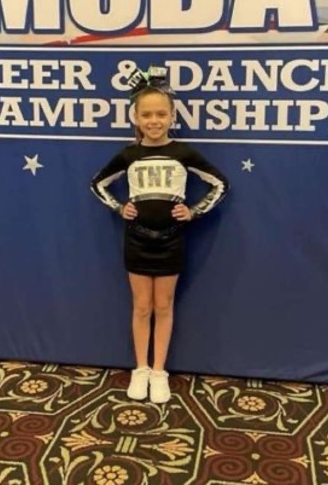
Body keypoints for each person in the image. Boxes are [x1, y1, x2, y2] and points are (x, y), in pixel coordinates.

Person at [90, 66, 229, 404]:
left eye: (161, 114)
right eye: (147, 115)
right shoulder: (129, 154)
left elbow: (221, 184)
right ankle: (140, 368)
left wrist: (194, 211)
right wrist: (119, 207)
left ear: (172, 116)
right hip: (137, 238)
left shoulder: (183, 153)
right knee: (141, 306)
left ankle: (159, 371)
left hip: (171, 239)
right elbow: (97, 184)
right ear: (136, 118)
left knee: (164, 305)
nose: (154, 121)